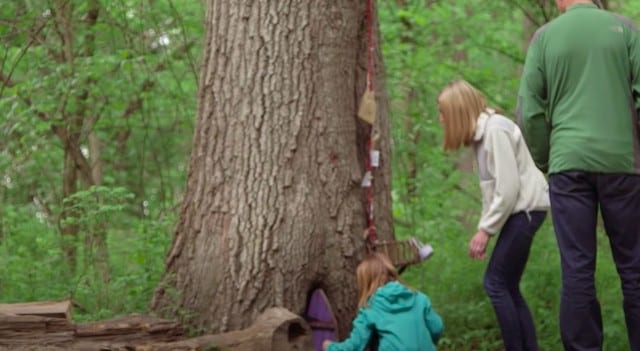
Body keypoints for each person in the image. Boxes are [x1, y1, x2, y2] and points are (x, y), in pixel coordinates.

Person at [517, 1, 640, 350]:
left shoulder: (544, 38)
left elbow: (529, 111)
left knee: (577, 270)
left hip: (567, 166)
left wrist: (546, 159)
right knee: (635, 269)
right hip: (624, 163)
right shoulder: (626, 29)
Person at [437, 79, 550, 351]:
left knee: (495, 283)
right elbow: (494, 191)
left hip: (525, 211)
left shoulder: (495, 131)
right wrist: (484, 227)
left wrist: (485, 230)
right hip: (520, 212)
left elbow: (508, 188)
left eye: (443, 114)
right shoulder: (482, 135)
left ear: (457, 113)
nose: (440, 120)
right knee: (507, 285)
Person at [321, 252, 443, 351]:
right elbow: (437, 327)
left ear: (366, 281)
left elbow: (355, 346)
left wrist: (329, 347)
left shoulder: (370, 307)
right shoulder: (419, 298)